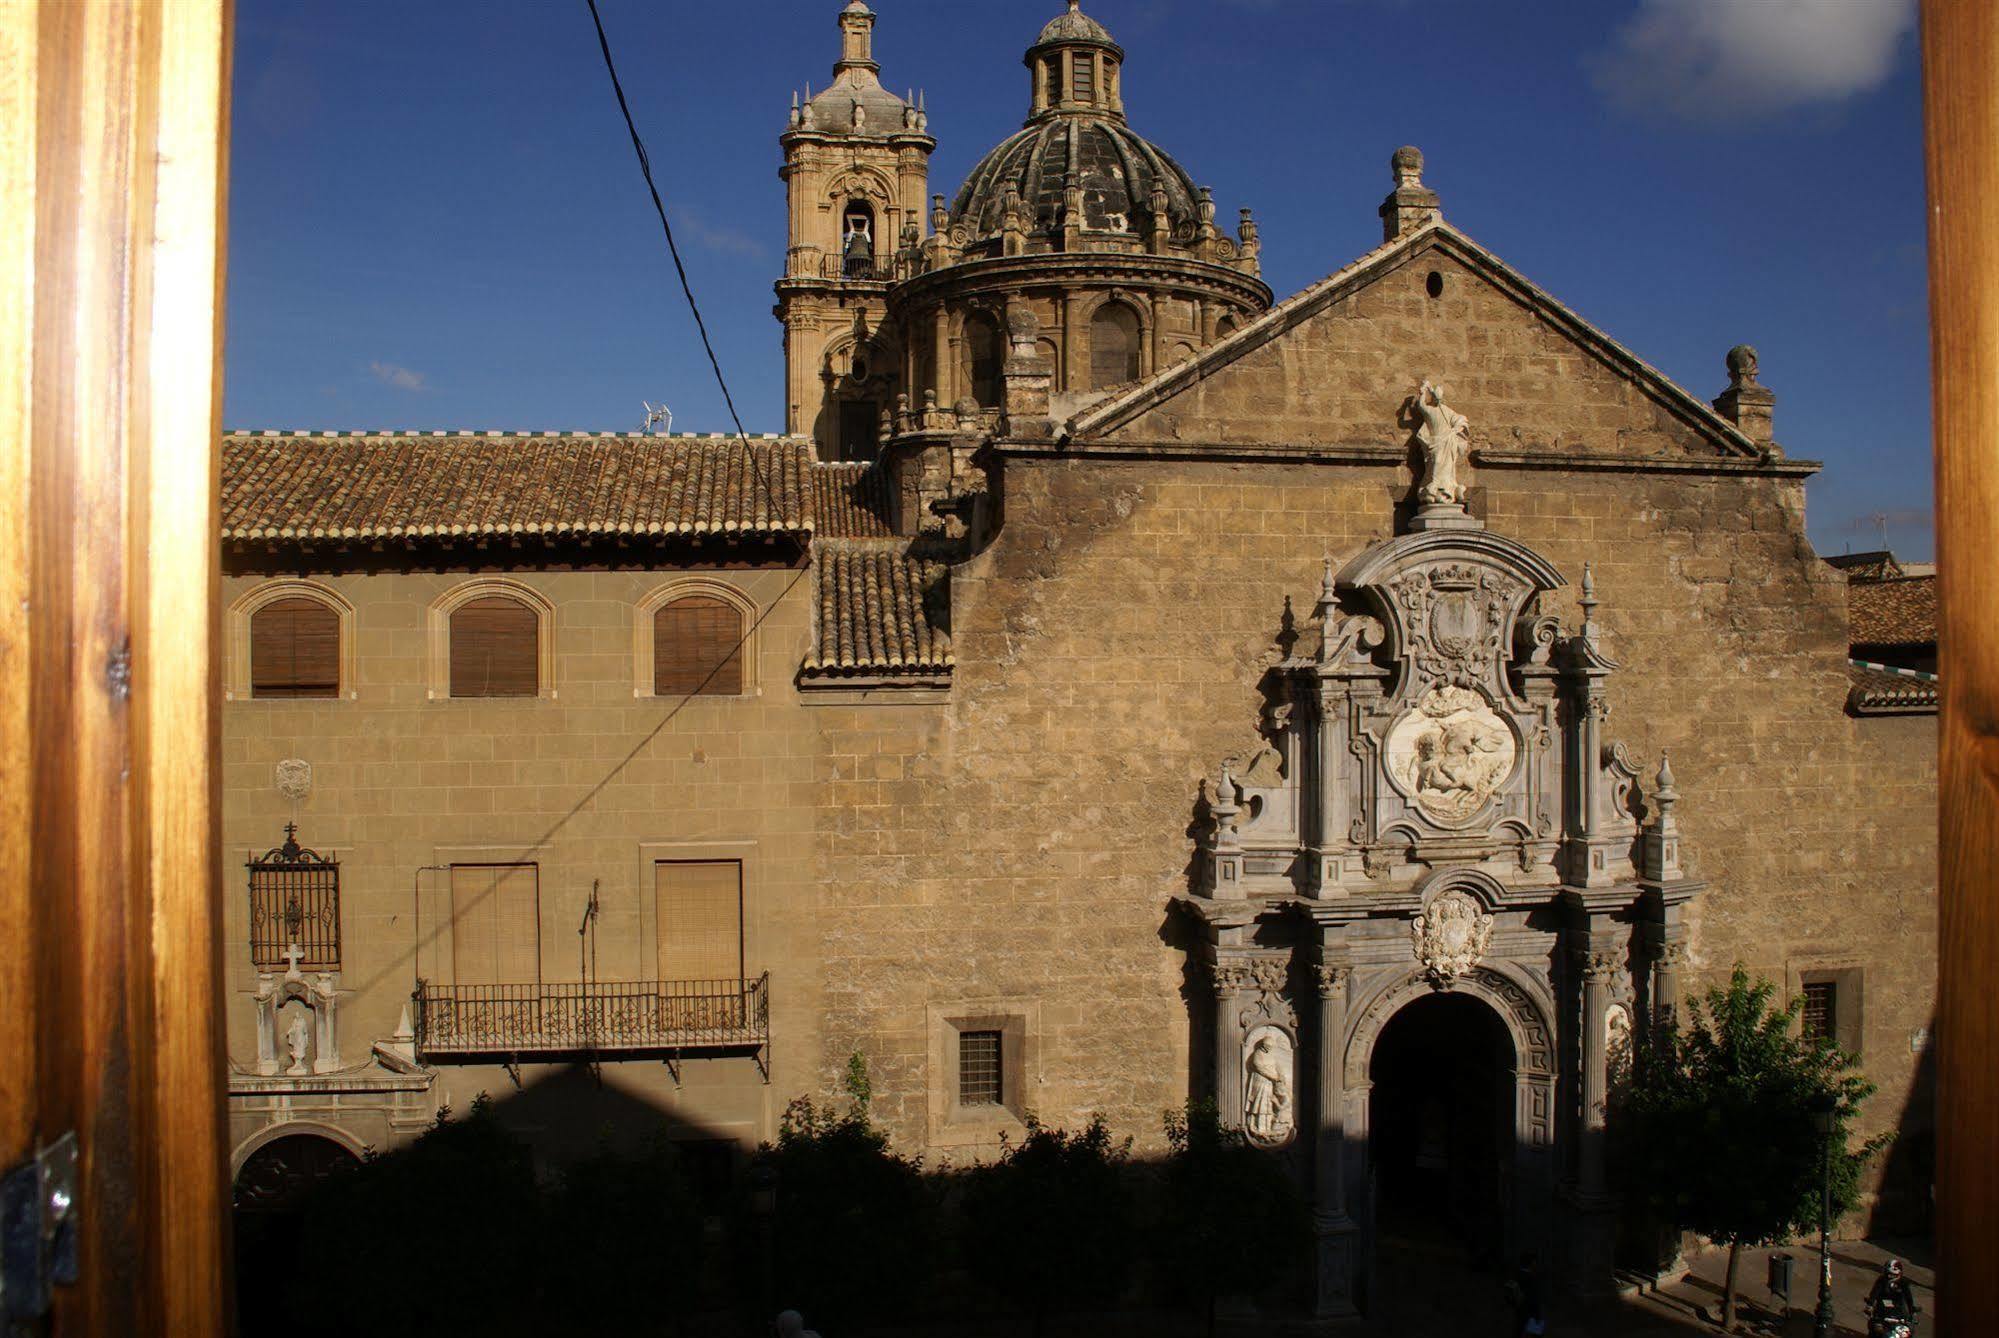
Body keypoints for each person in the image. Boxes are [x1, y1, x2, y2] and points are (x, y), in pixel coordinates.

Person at [1865, 1258, 1918, 1333]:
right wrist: (1870, 1304)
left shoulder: (1903, 1283)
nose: (1890, 1276)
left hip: (1898, 1311)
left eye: (1893, 1275)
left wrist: (1911, 1311)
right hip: (1882, 1310)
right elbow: (1875, 1292)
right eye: (1889, 1274)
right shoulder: (1881, 1280)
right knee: (1876, 1328)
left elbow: (1908, 1297)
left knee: (1908, 1331)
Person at [1501, 1250, 1545, 1337]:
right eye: (1535, 1262)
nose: (1536, 1264)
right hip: (1531, 1314)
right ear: (1532, 1263)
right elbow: (1535, 1299)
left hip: (1518, 1312)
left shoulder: (1515, 1275)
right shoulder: (1531, 1278)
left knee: (1519, 1333)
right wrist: (1538, 1316)